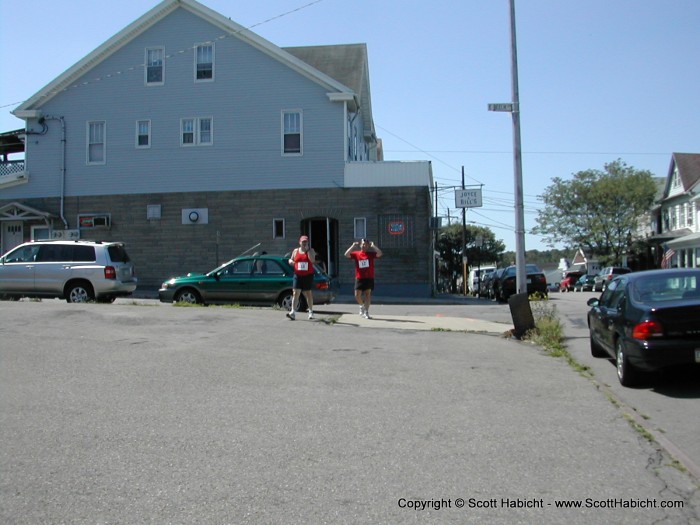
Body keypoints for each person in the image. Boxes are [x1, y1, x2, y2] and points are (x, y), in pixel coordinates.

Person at [345, 239, 382, 319]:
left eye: (366, 244)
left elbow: (379, 253)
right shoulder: (357, 254)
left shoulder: (370, 254)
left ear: (368, 246)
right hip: (359, 277)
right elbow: (346, 254)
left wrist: (373, 246)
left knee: (367, 294)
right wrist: (352, 246)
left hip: (369, 277)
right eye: (363, 244)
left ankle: (366, 312)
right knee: (357, 295)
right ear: (360, 245)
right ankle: (361, 306)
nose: (364, 245)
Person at [286, 236, 316, 320]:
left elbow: (312, 260)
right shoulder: (295, 251)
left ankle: (310, 311)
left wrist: (307, 251)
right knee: (296, 292)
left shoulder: (311, 250)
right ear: (300, 242)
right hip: (297, 275)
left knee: (308, 293)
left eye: (306, 242)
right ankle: (293, 312)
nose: (304, 243)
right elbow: (290, 259)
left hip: (308, 275)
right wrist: (291, 262)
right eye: (303, 242)